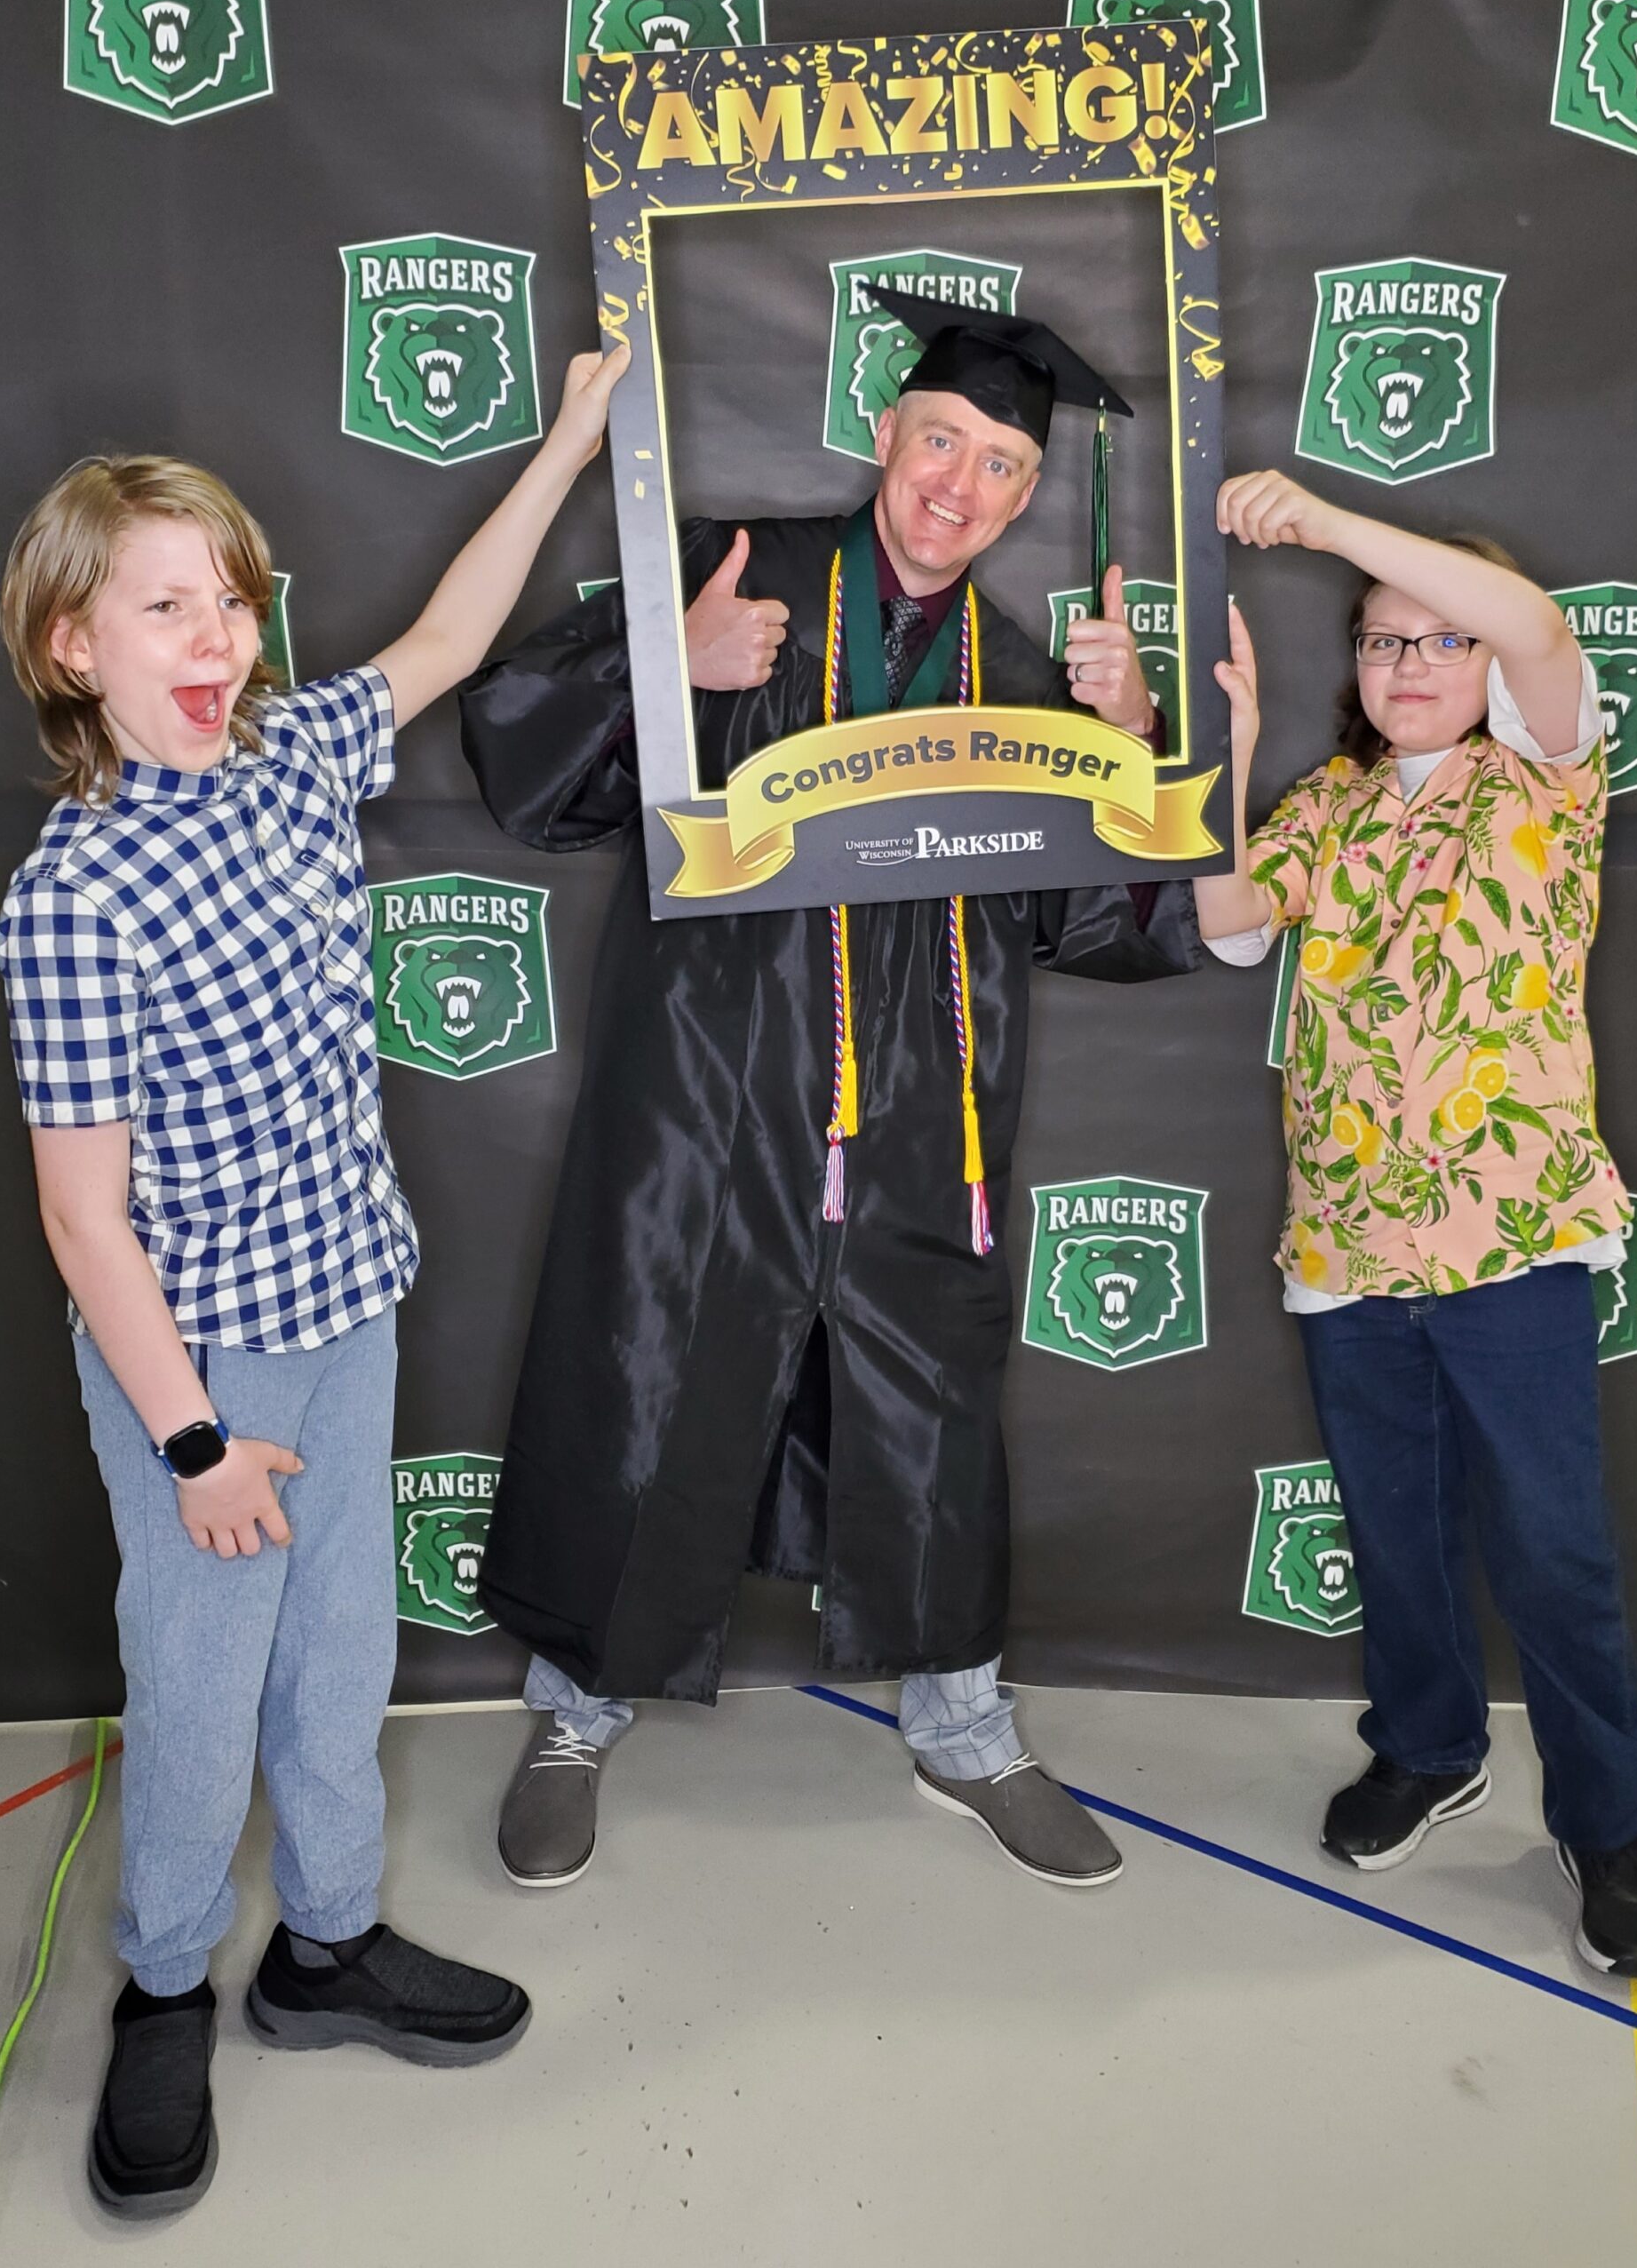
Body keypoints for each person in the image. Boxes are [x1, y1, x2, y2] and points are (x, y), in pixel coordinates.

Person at [0, 342, 630, 2219]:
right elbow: (84, 1218)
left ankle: (328, 1944)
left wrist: (569, 441)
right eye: (166, 608)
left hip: (349, 1299)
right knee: (200, 1692)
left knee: (342, 1646)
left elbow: (442, 640)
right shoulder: (72, 899)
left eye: (235, 598)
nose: (220, 638)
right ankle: (166, 1982)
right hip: (200, 1364)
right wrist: (194, 1442)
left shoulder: (286, 758)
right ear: (71, 649)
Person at [459, 301, 1202, 1893]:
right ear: (886, 433)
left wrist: (1126, 750)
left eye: (1000, 465)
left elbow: (1098, 926)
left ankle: (965, 1726)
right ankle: (577, 1712)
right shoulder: (739, 576)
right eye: (942, 440)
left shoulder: (1025, 680)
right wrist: (672, 667)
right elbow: (526, 768)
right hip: (709, 1092)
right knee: (650, 1369)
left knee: (931, 1404)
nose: (959, 484)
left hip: (928, 1117)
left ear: (1024, 496)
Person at [1195, 468, 1637, 1978]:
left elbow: (1534, 624)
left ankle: (1611, 1819)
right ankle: (1426, 1744)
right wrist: (1231, 747)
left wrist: (1329, 526)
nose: (1410, 662)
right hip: (1346, 1248)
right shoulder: (1326, 807)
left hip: (1510, 1239)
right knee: (1395, 1530)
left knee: (1555, 1549)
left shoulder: (1544, 775)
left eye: (1438, 638)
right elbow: (1226, 922)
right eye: (1382, 640)